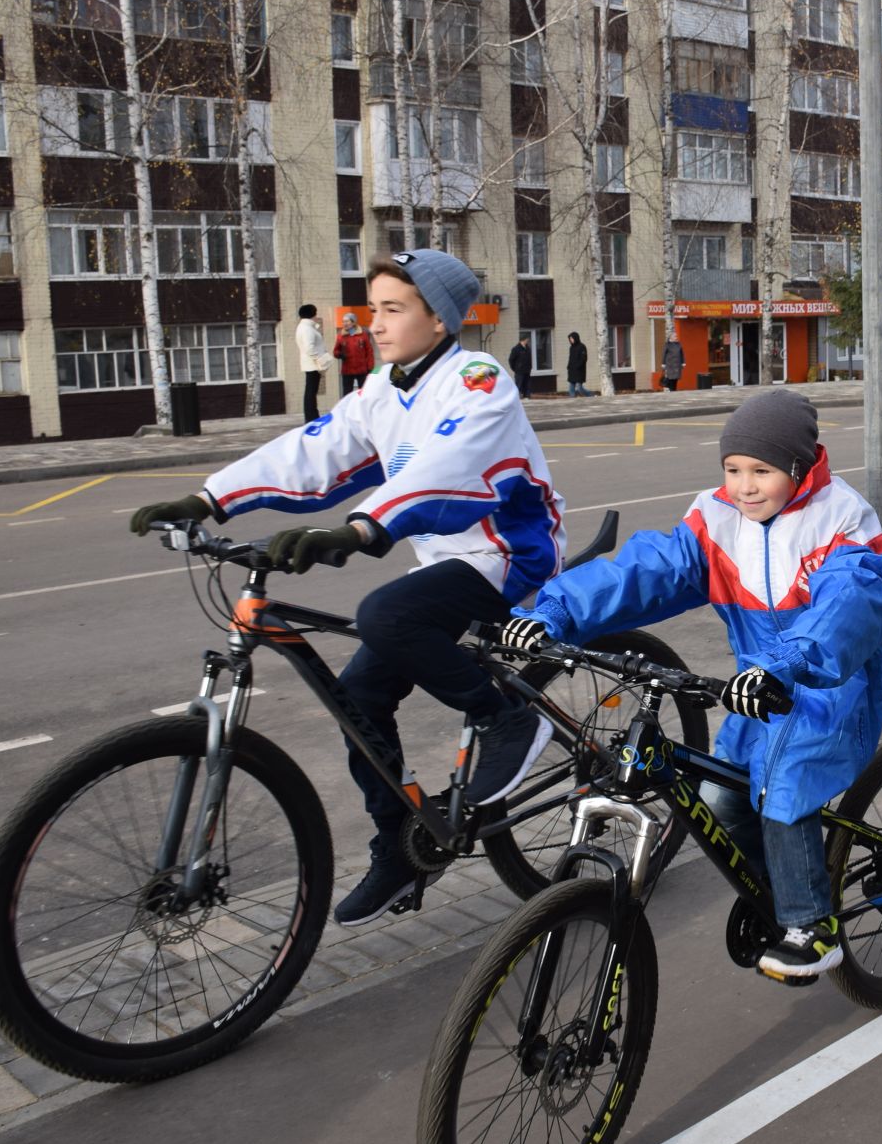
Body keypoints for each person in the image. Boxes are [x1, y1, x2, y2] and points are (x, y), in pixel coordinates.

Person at [127, 249, 564, 926]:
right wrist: (209, 499)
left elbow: (452, 466)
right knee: (357, 693)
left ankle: (506, 717)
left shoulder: (479, 379)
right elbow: (313, 448)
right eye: (372, 309)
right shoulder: (383, 391)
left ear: (440, 321)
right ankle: (398, 845)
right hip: (445, 560)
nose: (376, 324)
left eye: (394, 310)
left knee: (385, 612)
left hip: (510, 552)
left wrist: (363, 529)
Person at [500, 391, 882, 981]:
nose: (744, 486)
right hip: (755, 687)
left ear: (797, 467)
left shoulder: (841, 520)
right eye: (732, 469)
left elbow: (851, 606)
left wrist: (787, 664)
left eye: (761, 471)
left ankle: (813, 926)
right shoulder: (717, 520)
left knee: (782, 789)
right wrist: (555, 613)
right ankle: (788, 885)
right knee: (718, 799)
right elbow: (644, 571)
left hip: (832, 682)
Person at [295, 303, 333, 420]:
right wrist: (319, 359)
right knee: (311, 391)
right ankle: (311, 416)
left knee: (311, 390)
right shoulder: (307, 329)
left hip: (310, 364)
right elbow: (309, 348)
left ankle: (311, 415)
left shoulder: (304, 327)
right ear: (312, 314)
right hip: (313, 364)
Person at [334, 312, 377, 397]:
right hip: (347, 370)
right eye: (343, 322)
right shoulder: (341, 336)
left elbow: (369, 351)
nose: (344, 324)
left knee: (364, 392)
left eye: (347, 321)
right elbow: (335, 351)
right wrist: (339, 354)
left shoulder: (363, 335)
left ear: (353, 322)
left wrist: (370, 367)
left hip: (362, 369)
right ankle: (347, 409)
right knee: (347, 393)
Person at [508, 333, 534, 399]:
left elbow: (529, 358)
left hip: (527, 370)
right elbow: (511, 360)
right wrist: (516, 368)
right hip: (519, 370)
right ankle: (517, 397)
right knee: (519, 384)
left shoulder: (527, 348)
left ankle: (527, 396)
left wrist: (530, 367)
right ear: (523, 339)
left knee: (527, 384)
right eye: (527, 339)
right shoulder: (516, 349)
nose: (528, 340)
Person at [565, 331, 590, 397]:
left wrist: (578, 366)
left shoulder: (582, 347)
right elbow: (570, 358)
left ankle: (590, 395)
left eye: (572, 339)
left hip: (579, 371)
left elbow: (584, 359)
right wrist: (568, 366)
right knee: (571, 389)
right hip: (572, 371)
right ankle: (572, 401)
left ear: (576, 338)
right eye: (570, 339)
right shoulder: (571, 348)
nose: (571, 340)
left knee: (579, 388)